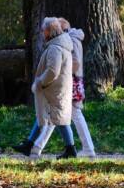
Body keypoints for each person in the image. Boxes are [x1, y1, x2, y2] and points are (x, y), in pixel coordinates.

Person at [11, 17, 77, 159]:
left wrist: (40, 82)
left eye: (43, 30)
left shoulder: (55, 48)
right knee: (44, 116)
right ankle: (29, 144)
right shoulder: (59, 45)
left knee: (60, 120)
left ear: (49, 31)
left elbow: (53, 71)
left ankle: (71, 149)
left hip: (52, 90)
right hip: (56, 89)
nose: (42, 33)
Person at [60, 18, 95, 157]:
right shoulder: (74, 38)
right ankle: (87, 148)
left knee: (74, 114)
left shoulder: (70, 40)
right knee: (70, 114)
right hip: (74, 81)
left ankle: (87, 148)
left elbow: (74, 63)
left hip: (71, 82)